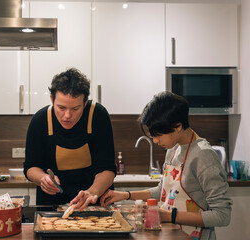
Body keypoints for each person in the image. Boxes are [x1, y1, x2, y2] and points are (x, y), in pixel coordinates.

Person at [100, 91, 232, 240]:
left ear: (177, 127)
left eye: (158, 135)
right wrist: (125, 195)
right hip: (171, 234)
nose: (155, 141)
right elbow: (162, 190)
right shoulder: (172, 148)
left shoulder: (203, 156)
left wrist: (170, 216)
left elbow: (222, 215)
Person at [24, 68, 116, 210]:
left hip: (94, 203)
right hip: (51, 205)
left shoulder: (97, 116)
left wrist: (91, 193)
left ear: (85, 103)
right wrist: (43, 178)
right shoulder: (40, 120)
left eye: (75, 109)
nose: (67, 115)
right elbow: (31, 166)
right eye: (61, 107)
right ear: (51, 100)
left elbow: (107, 169)